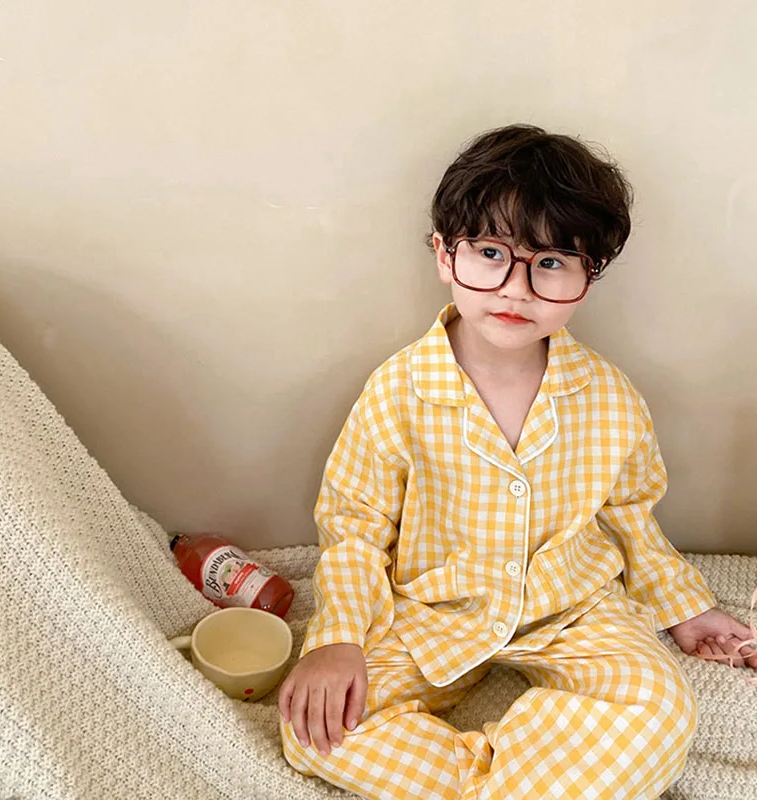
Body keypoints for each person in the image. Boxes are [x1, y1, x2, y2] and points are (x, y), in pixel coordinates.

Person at [278, 124, 757, 800]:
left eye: (550, 262)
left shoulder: (610, 397)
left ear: (589, 277)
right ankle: (518, 782)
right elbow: (355, 526)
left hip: (574, 609)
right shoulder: (397, 391)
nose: (515, 288)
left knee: (659, 712)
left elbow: (629, 516)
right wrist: (337, 638)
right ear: (444, 254)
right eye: (490, 253)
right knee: (312, 727)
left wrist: (683, 608)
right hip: (434, 609)